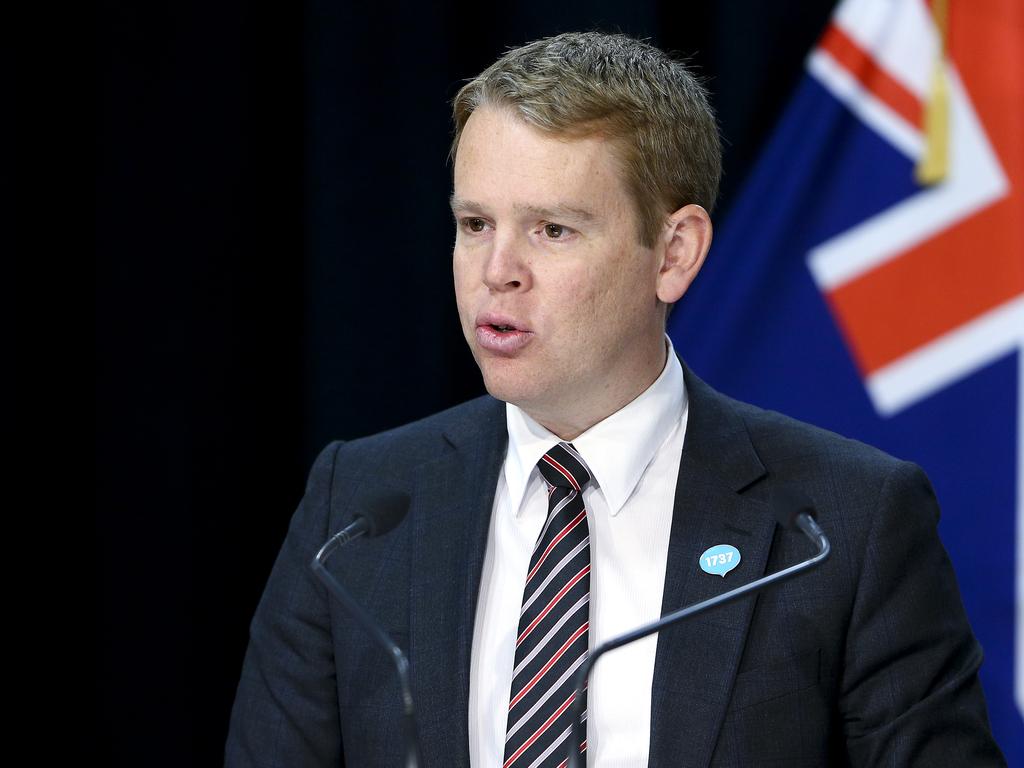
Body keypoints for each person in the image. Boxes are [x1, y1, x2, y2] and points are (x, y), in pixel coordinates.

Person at [225, 32, 1005, 767]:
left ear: (673, 254)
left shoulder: (843, 524)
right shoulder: (360, 508)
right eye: (474, 223)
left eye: (553, 230)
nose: (497, 270)